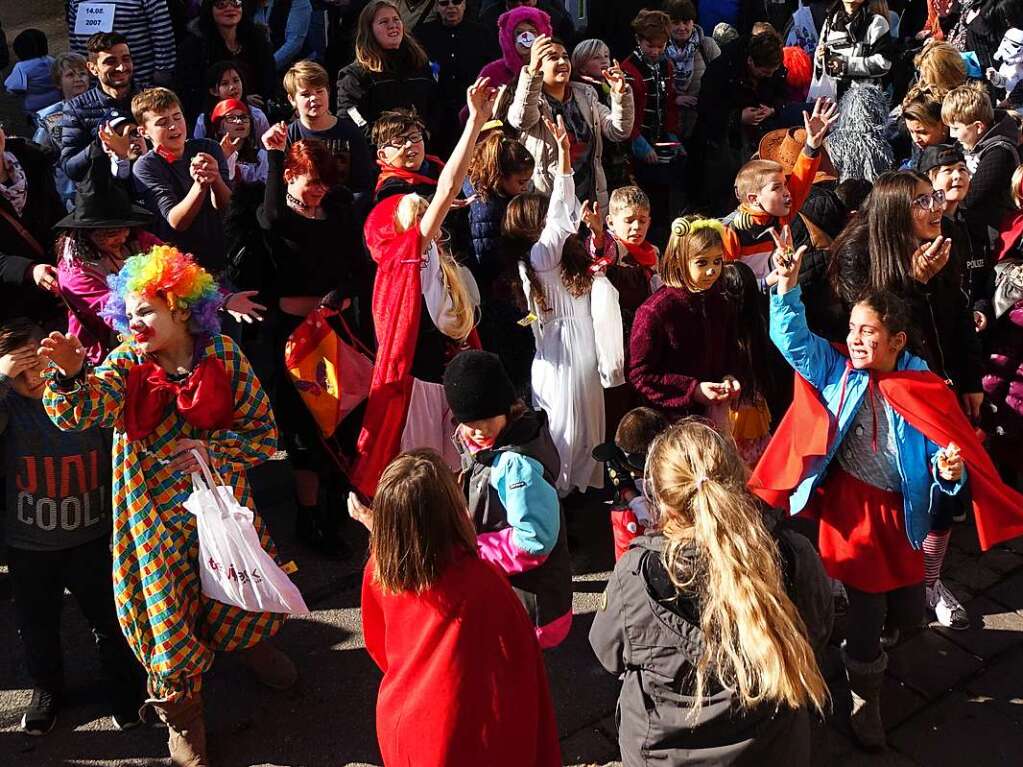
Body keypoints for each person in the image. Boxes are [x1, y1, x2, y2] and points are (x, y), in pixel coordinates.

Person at [754, 239, 1023, 749]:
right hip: (852, 516)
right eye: (852, 328)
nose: (854, 339)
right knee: (867, 611)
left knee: (906, 612)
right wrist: (785, 288)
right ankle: (865, 699)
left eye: (868, 332)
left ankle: (871, 649)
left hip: (905, 516)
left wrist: (947, 472)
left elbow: (949, 465)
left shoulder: (924, 389)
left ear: (897, 339)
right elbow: (792, 340)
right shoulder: (837, 370)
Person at [40, 245, 294, 767]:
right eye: (128, 312)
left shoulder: (224, 355)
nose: (135, 320)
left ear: (181, 307)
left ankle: (249, 643)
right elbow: (81, 412)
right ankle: (184, 715)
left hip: (219, 506)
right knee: (167, 617)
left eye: (147, 309)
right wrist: (69, 375)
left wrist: (212, 451)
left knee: (235, 586)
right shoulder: (124, 362)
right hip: (150, 519)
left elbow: (263, 434)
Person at [590, 418, 831, 766]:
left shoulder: (636, 574)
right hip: (771, 748)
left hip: (664, 754)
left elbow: (608, 653)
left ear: (660, 499)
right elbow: (818, 631)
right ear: (738, 480)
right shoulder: (791, 555)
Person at [349, 449, 562, 766]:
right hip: (465, 732)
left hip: (404, 720)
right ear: (453, 511)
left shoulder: (380, 570)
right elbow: (520, 665)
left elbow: (378, 646)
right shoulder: (482, 582)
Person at [351, 77, 496, 499]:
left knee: (457, 467)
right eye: (400, 142)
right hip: (415, 361)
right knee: (415, 474)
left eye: (415, 137)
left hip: (446, 348)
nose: (411, 146)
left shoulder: (421, 200)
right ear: (381, 155)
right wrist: (475, 123)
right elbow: (450, 187)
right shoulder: (387, 211)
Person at [2, 317, 146, 736]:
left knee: (110, 620)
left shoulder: (81, 403)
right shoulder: (9, 407)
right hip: (29, 545)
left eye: (40, 362)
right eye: (20, 365)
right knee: (36, 624)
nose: (33, 375)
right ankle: (46, 689)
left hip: (94, 536)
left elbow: (118, 446)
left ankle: (125, 689)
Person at [505, 115, 624, 495]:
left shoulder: (549, 258)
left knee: (576, 418)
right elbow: (560, 212)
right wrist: (563, 157)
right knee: (568, 421)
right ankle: (562, 487)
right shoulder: (541, 256)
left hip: (569, 343)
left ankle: (572, 485)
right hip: (568, 346)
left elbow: (563, 215)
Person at [258, 125, 362, 553]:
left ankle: (337, 506)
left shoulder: (336, 213)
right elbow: (270, 217)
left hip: (335, 329)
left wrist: (341, 295)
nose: (319, 190)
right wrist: (273, 159)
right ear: (290, 177)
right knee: (304, 430)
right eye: (311, 181)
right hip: (293, 339)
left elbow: (356, 264)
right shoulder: (278, 216)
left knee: (342, 418)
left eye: (325, 182)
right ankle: (308, 518)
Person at [443, 349, 573, 648]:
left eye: (484, 420)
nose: (475, 431)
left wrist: (475, 548)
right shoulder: (498, 439)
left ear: (505, 408)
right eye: (467, 422)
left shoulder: (517, 466)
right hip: (508, 589)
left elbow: (534, 541)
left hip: (529, 604)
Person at [628, 216, 742, 424]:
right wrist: (692, 390)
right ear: (680, 261)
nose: (712, 270)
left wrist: (730, 376)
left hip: (715, 418)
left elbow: (731, 350)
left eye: (717, 261)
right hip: (673, 425)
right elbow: (640, 376)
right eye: (701, 262)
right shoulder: (655, 311)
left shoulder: (719, 300)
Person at [508, 34, 633, 211]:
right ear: (538, 65)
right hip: (548, 203)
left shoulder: (586, 94)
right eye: (553, 57)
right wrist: (531, 73)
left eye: (565, 57)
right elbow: (521, 119)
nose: (562, 62)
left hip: (589, 200)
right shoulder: (530, 99)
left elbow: (618, 130)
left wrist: (621, 95)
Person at [461, 131, 536, 398]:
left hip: (501, 290)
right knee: (513, 354)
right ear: (501, 176)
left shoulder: (489, 193)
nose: (525, 187)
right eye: (521, 181)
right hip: (497, 295)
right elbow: (486, 257)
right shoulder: (488, 207)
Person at [131, 87, 232, 273]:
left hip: (223, 254)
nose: (173, 126)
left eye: (177, 117)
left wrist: (215, 178)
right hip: (180, 266)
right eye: (162, 122)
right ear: (143, 131)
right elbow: (176, 221)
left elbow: (228, 206)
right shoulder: (145, 166)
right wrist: (200, 185)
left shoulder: (208, 147)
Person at [697, 30, 788, 213]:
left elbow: (782, 95)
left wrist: (773, 109)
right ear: (750, 61)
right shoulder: (721, 70)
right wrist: (737, 116)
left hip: (762, 137)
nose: (768, 76)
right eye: (763, 72)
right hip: (726, 143)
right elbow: (707, 108)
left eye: (772, 72)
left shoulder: (775, 72)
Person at [335, 0, 441, 138]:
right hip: (377, 153)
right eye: (384, 22)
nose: (392, 25)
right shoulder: (355, 75)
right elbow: (350, 112)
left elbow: (437, 107)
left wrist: (425, 134)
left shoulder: (420, 66)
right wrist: (376, 138)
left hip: (420, 149)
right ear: (369, 30)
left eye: (396, 19)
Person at [943, 83, 1020, 269]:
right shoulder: (971, 146)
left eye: (955, 128)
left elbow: (972, 198)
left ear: (978, 127)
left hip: (997, 236)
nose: (952, 136)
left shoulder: (1000, 152)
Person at [620, 10, 684, 234]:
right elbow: (626, 110)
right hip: (635, 145)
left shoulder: (666, 66)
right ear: (638, 40)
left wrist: (672, 133)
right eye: (650, 46)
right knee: (643, 197)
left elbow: (670, 102)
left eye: (661, 46)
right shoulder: (627, 69)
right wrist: (636, 138)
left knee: (664, 196)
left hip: (659, 142)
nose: (656, 51)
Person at [175, 0, 277, 121]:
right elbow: (190, 91)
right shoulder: (194, 46)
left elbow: (269, 78)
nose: (229, 8)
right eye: (221, 4)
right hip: (212, 117)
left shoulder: (257, 38)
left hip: (258, 114)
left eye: (235, 2)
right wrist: (239, 100)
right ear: (210, 9)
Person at [284, 60, 374, 196]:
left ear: (328, 92)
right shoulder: (289, 135)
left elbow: (363, 185)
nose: (314, 98)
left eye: (319, 91)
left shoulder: (351, 132)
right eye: (305, 94)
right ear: (292, 99)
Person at [60, 32, 138, 184]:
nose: (121, 67)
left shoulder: (150, 98)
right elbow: (70, 168)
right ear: (93, 68)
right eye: (110, 61)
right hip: (108, 196)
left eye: (126, 59)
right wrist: (102, 145)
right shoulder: (77, 109)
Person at [416, 0, 494, 154]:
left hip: (472, 110)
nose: (451, 7)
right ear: (437, 7)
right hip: (436, 114)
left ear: (465, 5)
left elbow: (493, 69)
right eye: (444, 3)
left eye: (457, 2)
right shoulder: (422, 34)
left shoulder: (482, 33)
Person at [591, 405, 667, 560]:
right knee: (628, 556)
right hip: (631, 517)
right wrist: (634, 500)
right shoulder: (616, 455)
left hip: (665, 510)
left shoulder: (670, 457)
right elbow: (620, 477)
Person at [67, 0, 176, 88]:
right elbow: (74, 40)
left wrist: (163, 70)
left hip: (140, 81)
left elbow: (162, 33)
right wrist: (80, 73)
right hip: (94, 85)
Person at [570, 38, 632, 193]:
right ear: (581, 66)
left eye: (606, 56)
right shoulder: (583, 91)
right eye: (596, 57)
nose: (604, 61)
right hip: (600, 162)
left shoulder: (610, 84)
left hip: (618, 160)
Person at [33, 53, 91, 209]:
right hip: (68, 192)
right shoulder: (49, 118)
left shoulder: (102, 106)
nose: (78, 79)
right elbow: (37, 156)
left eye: (82, 74)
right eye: (70, 75)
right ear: (58, 83)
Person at [663, 0, 721, 140]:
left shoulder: (707, 46)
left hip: (701, 126)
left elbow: (722, 82)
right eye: (676, 23)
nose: (682, 27)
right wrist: (674, 100)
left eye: (686, 21)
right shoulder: (658, 48)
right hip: (667, 126)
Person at [813, 0, 892, 96]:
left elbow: (884, 63)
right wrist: (820, 58)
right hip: (831, 95)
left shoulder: (876, 22)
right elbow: (819, 56)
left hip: (863, 99)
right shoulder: (831, 20)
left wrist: (846, 65)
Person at [372, 108, 444, 202]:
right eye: (398, 142)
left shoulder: (438, 167)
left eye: (414, 137)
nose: (409, 144)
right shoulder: (389, 190)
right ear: (383, 155)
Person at [476, 4, 553, 92]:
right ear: (508, 37)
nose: (526, 37)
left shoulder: (551, 69)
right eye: (519, 33)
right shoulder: (492, 73)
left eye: (532, 32)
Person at [192, 61, 271, 142]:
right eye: (225, 83)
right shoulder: (204, 121)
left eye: (236, 80)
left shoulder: (256, 116)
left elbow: (268, 148)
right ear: (213, 91)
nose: (233, 87)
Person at [210, 97, 268, 186]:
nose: (239, 121)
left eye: (244, 117)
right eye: (231, 118)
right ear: (219, 128)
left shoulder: (261, 156)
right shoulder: (211, 157)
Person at [3, 29, 60, 116]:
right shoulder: (51, 60)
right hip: (56, 102)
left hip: (35, 108)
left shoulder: (21, 67)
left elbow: (12, 87)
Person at [252, 0, 313, 72]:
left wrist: (266, 67)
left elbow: (294, 43)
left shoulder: (298, 2)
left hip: (297, 68)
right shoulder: (247, 5)